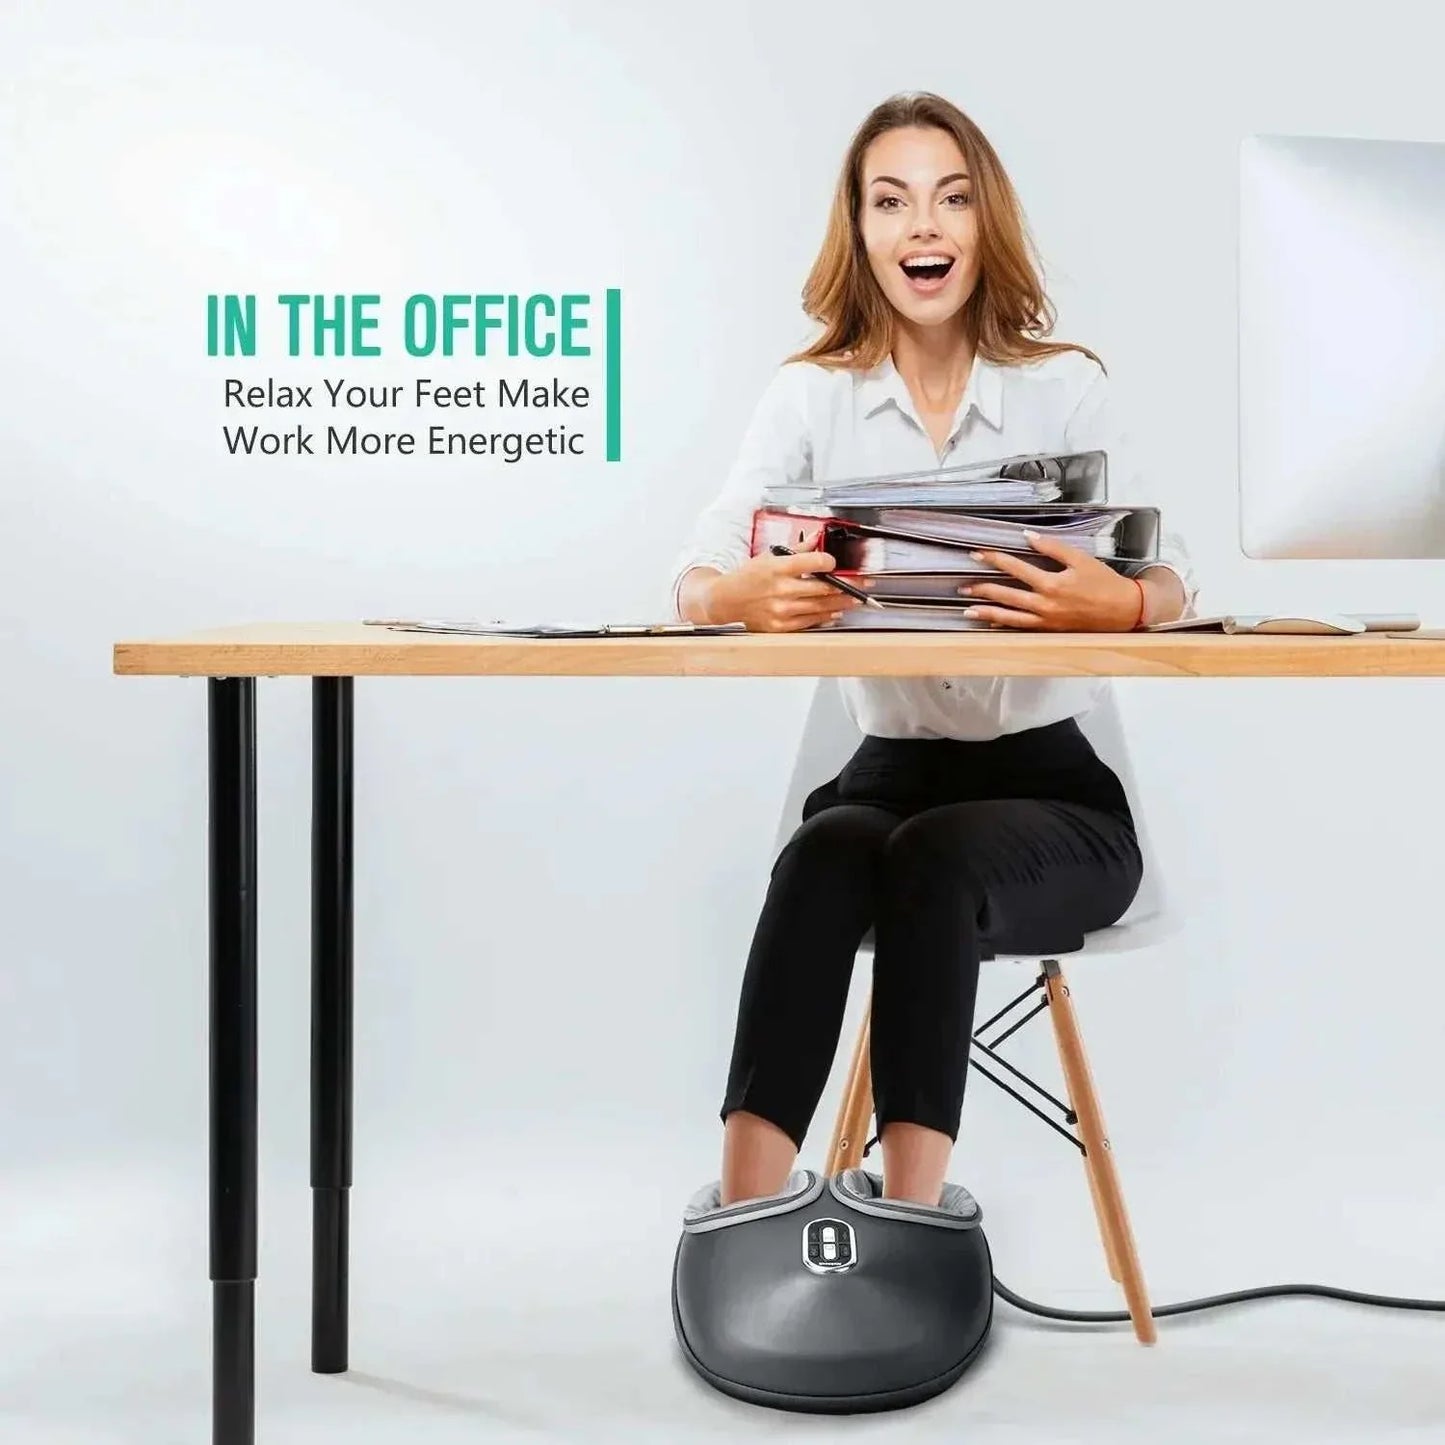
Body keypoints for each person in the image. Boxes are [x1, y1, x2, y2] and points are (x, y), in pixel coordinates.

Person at [667, 92, 1196, 1210]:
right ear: (856, 230)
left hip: (1053, 795)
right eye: (891, 200)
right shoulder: (812, 395)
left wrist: (1124, 603)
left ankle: (909, 1222)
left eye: (950, 199)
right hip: (886, 778)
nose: (924, 226)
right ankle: (741, 1214)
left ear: (982, 221)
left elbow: (1181, 575)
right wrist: (736, 593)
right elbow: (693, 575)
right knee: (820, 857)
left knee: (932, 861)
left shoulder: (1064, 386)